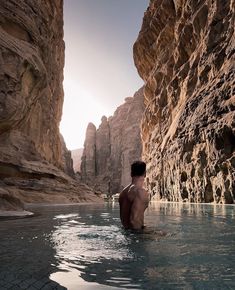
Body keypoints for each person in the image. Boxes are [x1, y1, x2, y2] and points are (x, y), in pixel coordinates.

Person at [119, 161, 149, 230]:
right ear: (145, 174)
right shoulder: (140, 192)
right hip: (136, 236)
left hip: (125, 232)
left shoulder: (123, 193)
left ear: (131, 174)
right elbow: (134, 221)